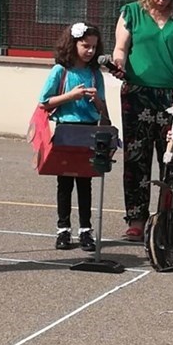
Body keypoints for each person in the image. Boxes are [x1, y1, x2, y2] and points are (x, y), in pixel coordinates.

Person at [109, 0, 173, 241]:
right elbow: (120, 49)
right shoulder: (131, 12)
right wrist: (118, 64)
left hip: (172, 95)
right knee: (137, 157)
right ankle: (136, 219)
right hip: (137, 93)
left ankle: (169, 216)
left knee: (172, 158)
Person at [38, 22, 110, 252]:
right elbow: (44, 101)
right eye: (85, 46)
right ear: (73, 44)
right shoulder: (61, 70)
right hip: (66, 129)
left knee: (85, 182)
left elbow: (103, 109)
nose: (90, 51)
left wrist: (96, 100)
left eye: (93, 47)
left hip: (88, 129)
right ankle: (63, 230)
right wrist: (72, 95)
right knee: (65, 182)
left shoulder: (94, 73)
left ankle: (86, 230)